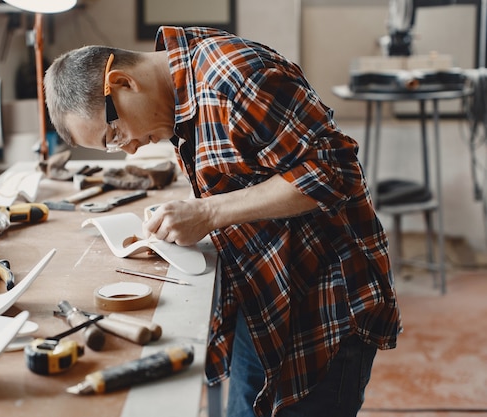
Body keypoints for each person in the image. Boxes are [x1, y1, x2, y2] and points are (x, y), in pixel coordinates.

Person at [44, 26, 402, 417]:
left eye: (114, 134)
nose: (127, 150)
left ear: (122, 82)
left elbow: (335, 172)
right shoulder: (182, 100)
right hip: (263, 300)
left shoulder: (235, 77)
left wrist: (210, 212)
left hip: (323, 306)